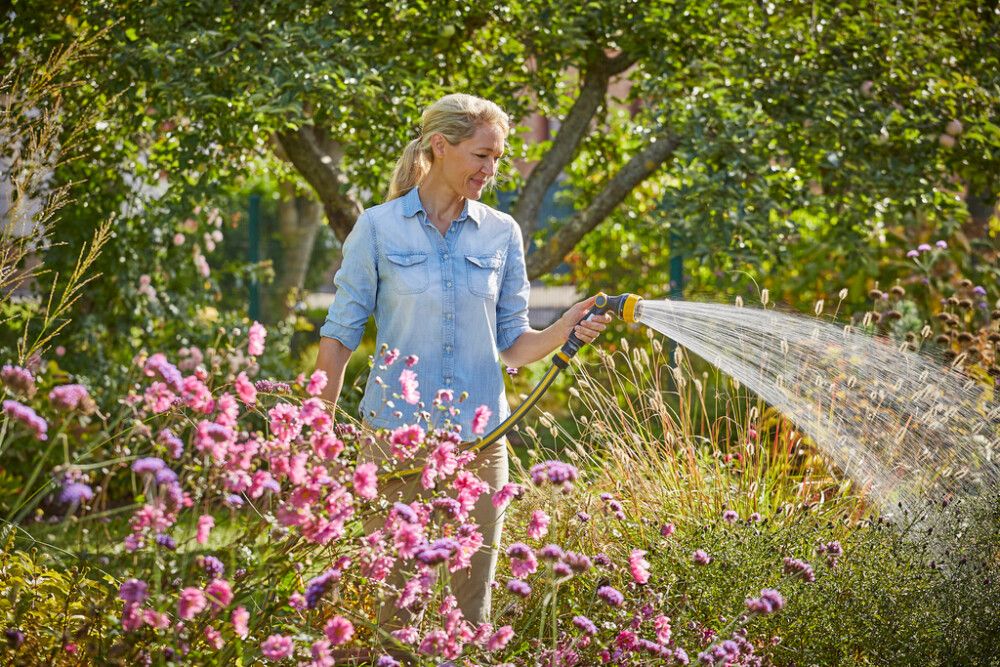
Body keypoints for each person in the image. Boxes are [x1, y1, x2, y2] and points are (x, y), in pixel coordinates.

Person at [313, 93, 610, 627]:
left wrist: (566, 327)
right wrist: (320, 428)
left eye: (498, 157)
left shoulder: (501, 233)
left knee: (472, 607)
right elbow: (339, 335)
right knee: (394, 605)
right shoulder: (378, 229)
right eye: (481, 155)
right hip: (395, 438)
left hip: (481, 445)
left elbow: (514, 342)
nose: (492, 169)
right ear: (439, 146)